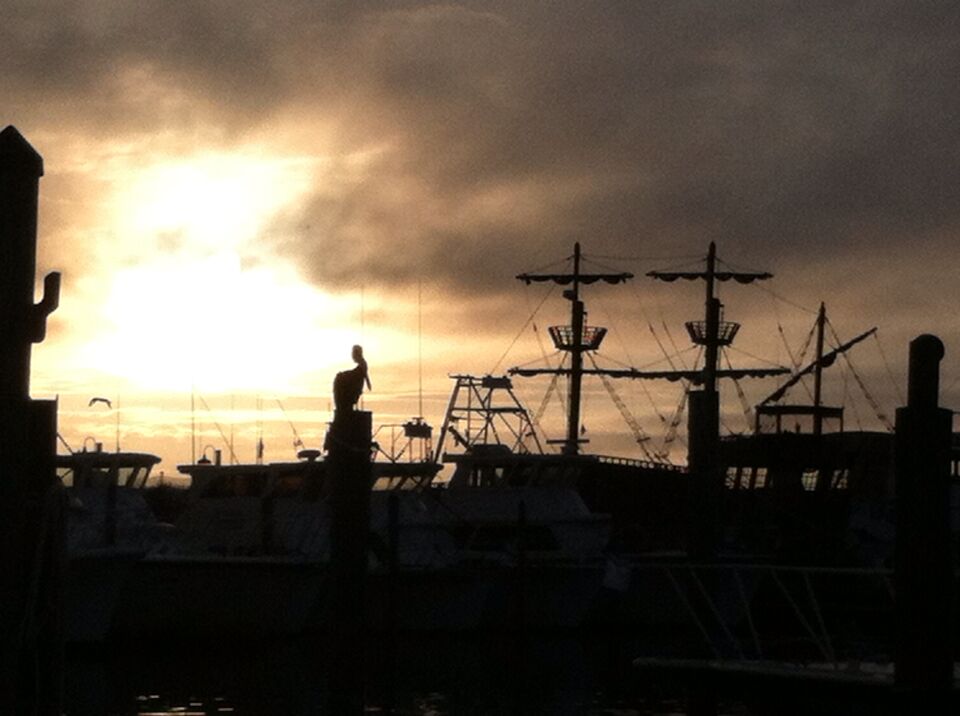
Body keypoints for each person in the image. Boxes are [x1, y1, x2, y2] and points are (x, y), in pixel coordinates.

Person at [333, 344, 371, 412]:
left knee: (339, 378)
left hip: (355, 386)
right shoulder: (362, 364)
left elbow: (364, 376)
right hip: (355, 385)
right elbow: (366, 377)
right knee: (339, 377)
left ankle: (344, 405)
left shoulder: (362, 365)